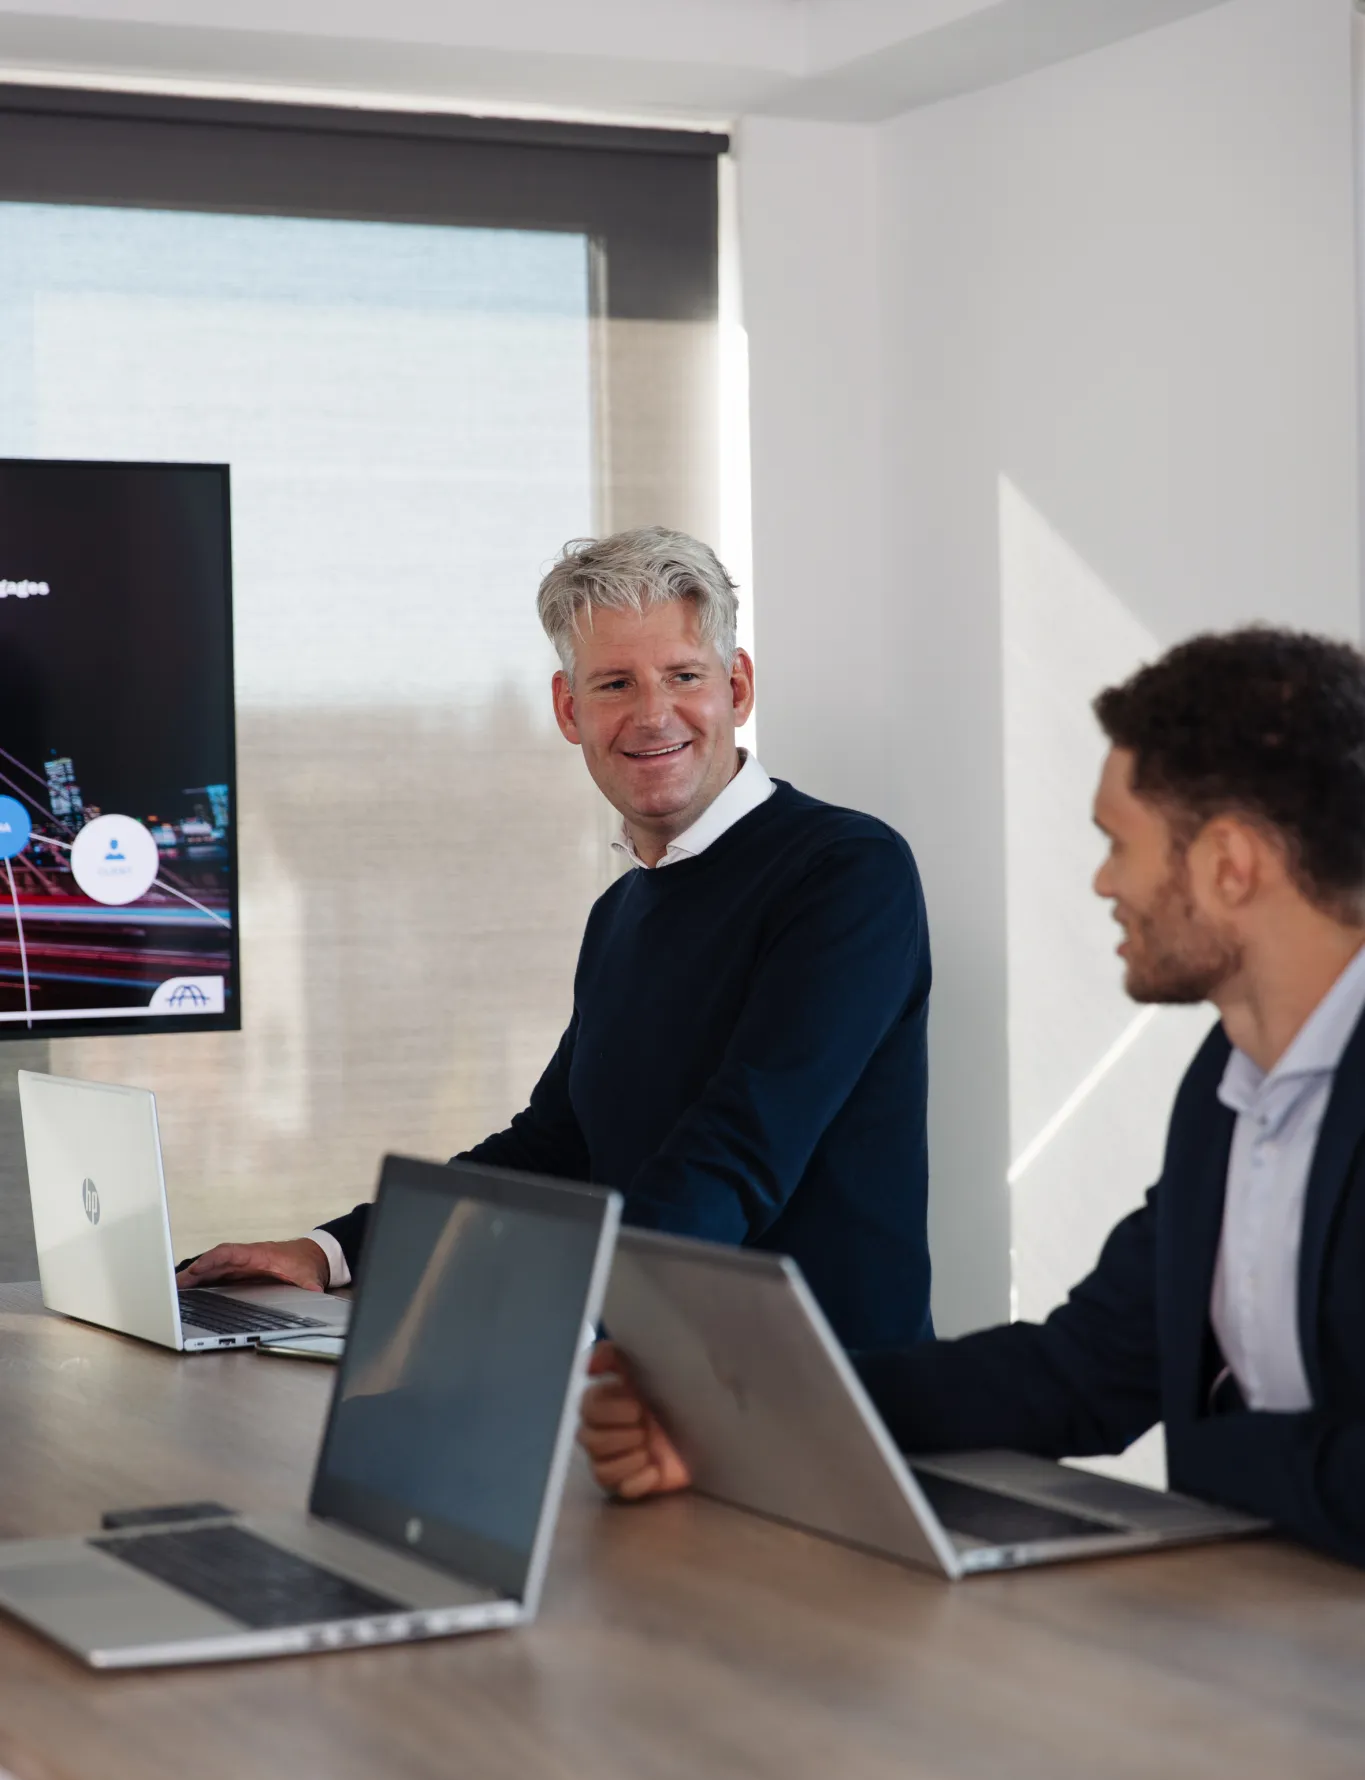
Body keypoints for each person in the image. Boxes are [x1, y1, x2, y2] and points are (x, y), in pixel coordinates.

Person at [581, 624, 1365, 1568]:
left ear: (1229, 865)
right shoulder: (1228, 1086)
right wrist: (731, 1417)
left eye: (1120, 844)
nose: (1102, 881)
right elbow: (1085, 1372)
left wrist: (1215, 1465)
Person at [181, 528, 935, 1350]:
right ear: (570, 709)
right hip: (649, 1383)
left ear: (737, 686)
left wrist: (561, 1328)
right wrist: (331, 1252)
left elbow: (740, 1153)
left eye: (683, 676)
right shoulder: (621, 913)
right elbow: (556, 1146)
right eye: (615, 683)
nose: (653, 714)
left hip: (819, 1395)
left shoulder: (847, 871)